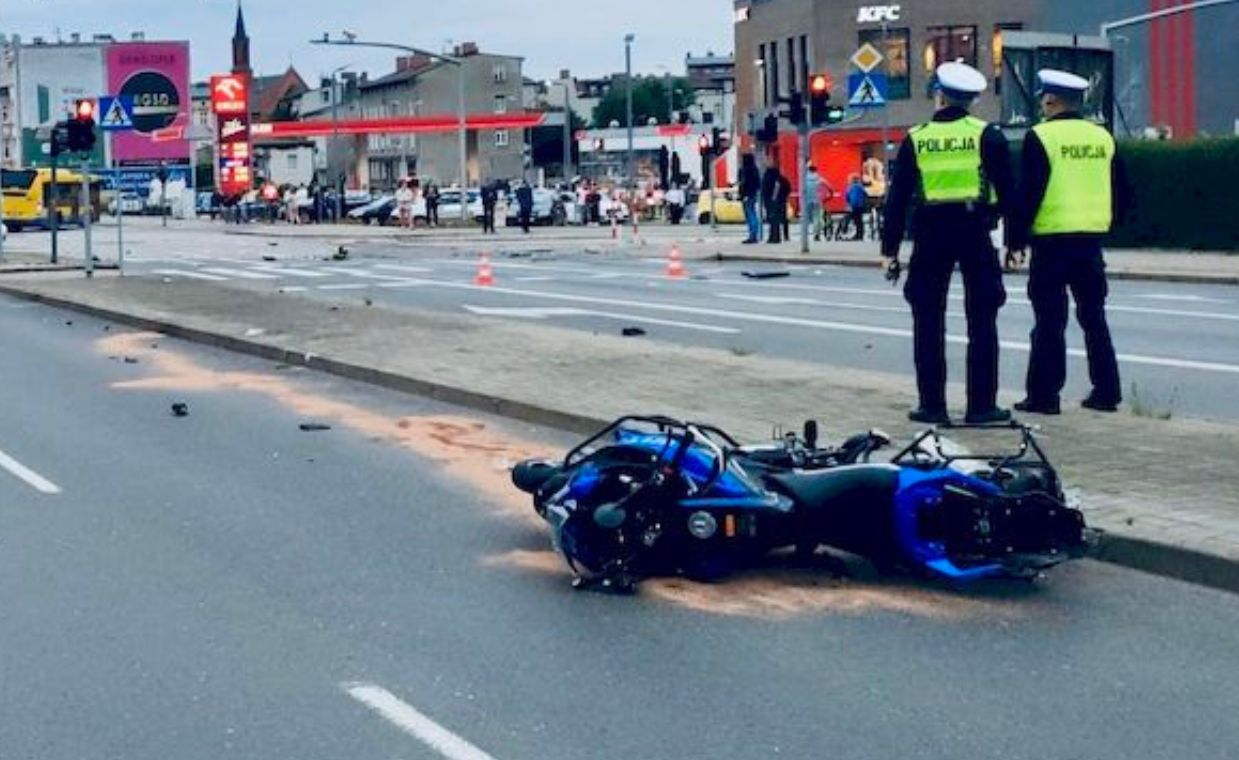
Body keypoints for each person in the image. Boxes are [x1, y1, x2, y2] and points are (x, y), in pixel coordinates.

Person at [880, 61, 1018, 425]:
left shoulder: (918, 137)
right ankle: (982, 406)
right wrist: (1016, 243)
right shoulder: (987, 135)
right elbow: (1009, 193)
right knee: (983, 317)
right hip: (975, 231)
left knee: (927, 319)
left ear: (938, 95)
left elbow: (897, 200)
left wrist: (889, 251)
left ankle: (932, 404)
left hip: (930, 233)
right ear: (971, 100)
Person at [1012, 69, 1128, 415]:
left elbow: (1028, 192)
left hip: (1051, 242)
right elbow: (1122, 190)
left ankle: (1044, 396)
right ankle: (1107, 392)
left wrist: (1016, 240)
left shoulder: (1041, 136)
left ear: (1050, 100)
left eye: (1044, 101)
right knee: (1094, 318)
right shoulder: (1102, 137)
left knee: (1049, 322)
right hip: (1090, 241)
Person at [740, 153, 762, 244]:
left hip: (747, 195)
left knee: (750, 214)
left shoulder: (745, 170)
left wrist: (743, 194)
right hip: (753, 194)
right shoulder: (755, 170)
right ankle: (754, 234)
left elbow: (743, 183)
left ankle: (752, 235)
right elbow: (758, 184)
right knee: (753, 213)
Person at [761, 164, 783, 244]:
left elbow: (766, 189)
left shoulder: (768, 178)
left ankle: (772, 237)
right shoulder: (777, 178)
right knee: (775, 220)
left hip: (770, 201)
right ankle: (776, 237)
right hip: (776, 201)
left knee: (772, 219)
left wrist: (772, 198)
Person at [846, 175, 867, 241]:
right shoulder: (861, 187)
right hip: (860, 206)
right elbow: (865, 195)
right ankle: (860, 234)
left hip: (854, 206)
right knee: (859, 221)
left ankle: (856, 234)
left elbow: (847, 197)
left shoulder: (850, 188)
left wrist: (848, 204)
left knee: (855, 220)